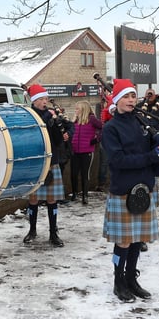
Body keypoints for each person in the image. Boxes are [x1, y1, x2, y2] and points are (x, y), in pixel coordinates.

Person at [102, 79, 159, 302]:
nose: (131, 100)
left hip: (144, 188)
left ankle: (132, 279)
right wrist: (152, 157)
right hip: (123, 189)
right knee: (123, 241)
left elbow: (157, 145)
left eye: (133, 96)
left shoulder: (142, 121)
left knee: (136, 239)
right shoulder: (110, 128)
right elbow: (118, 160)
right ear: (116, 100)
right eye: (126, 96)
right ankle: (118, 281)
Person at [22, 85, 66, 247]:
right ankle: (32, 230)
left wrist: (55, 125)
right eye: (40, 99)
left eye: (45, 99)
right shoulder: (28, 115)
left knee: (51, 199)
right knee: (33, 198)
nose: (44, 102)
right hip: (35, 161)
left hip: (51, 161)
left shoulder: (51, 116)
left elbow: (58, 141)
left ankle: (53, 233)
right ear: (34, 101)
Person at [70, 101, 103, 205]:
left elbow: (104, 128)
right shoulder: (75, 120)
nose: (76, 111)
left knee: (85, 174)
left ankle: (85, 196)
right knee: (74, 174)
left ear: (83, 109)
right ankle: (74, 193)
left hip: (87, 151)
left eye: (77, 109)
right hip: (75, 151)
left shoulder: (92, 119)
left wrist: (96, 140)